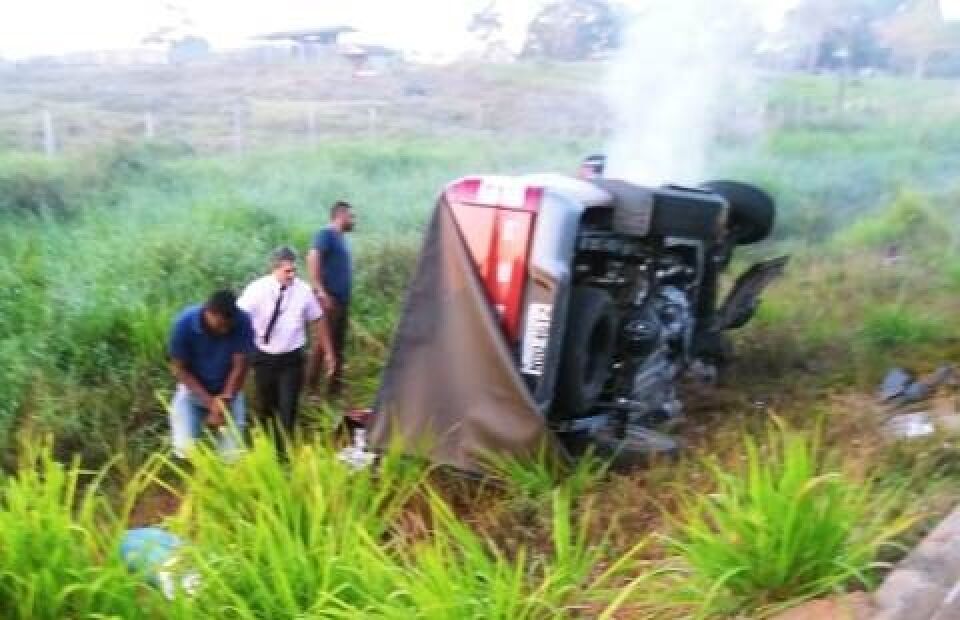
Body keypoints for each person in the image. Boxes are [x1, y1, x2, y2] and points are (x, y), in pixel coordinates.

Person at [238, 246, 336, 451]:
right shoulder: (256, 290)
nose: (292, 275)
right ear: (274, 269)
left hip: (291, 360)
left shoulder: (303, 291)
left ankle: (283, 455)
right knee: (266, 408)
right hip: (263, 358)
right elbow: (240, 319)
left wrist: (329, 352)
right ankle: (267, 450)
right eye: (287, 271)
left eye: (294, 270)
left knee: (288, 408)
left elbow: (318, 319)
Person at [168, 289, 253, 459]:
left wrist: (225, 399)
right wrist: (211, 404)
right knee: (185, 449)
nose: (225, 330)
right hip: (193, 390)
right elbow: (179, 369)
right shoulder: (184, 324)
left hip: (229, 391)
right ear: (208, 312)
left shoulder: (242, 321)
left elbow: (240, 366)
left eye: (229, 325)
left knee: (233, 455)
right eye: (221, 325)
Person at [307, 200, 355, 398]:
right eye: (351, 216)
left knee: (337, 346)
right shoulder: (325, 234)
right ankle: (311, 391)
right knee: (321, 346)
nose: (354, 220)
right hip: (328, 300)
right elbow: (312, 256)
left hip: (341, 301)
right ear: (340, 215)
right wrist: (320, 290)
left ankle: (333, 392)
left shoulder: (341, 239)